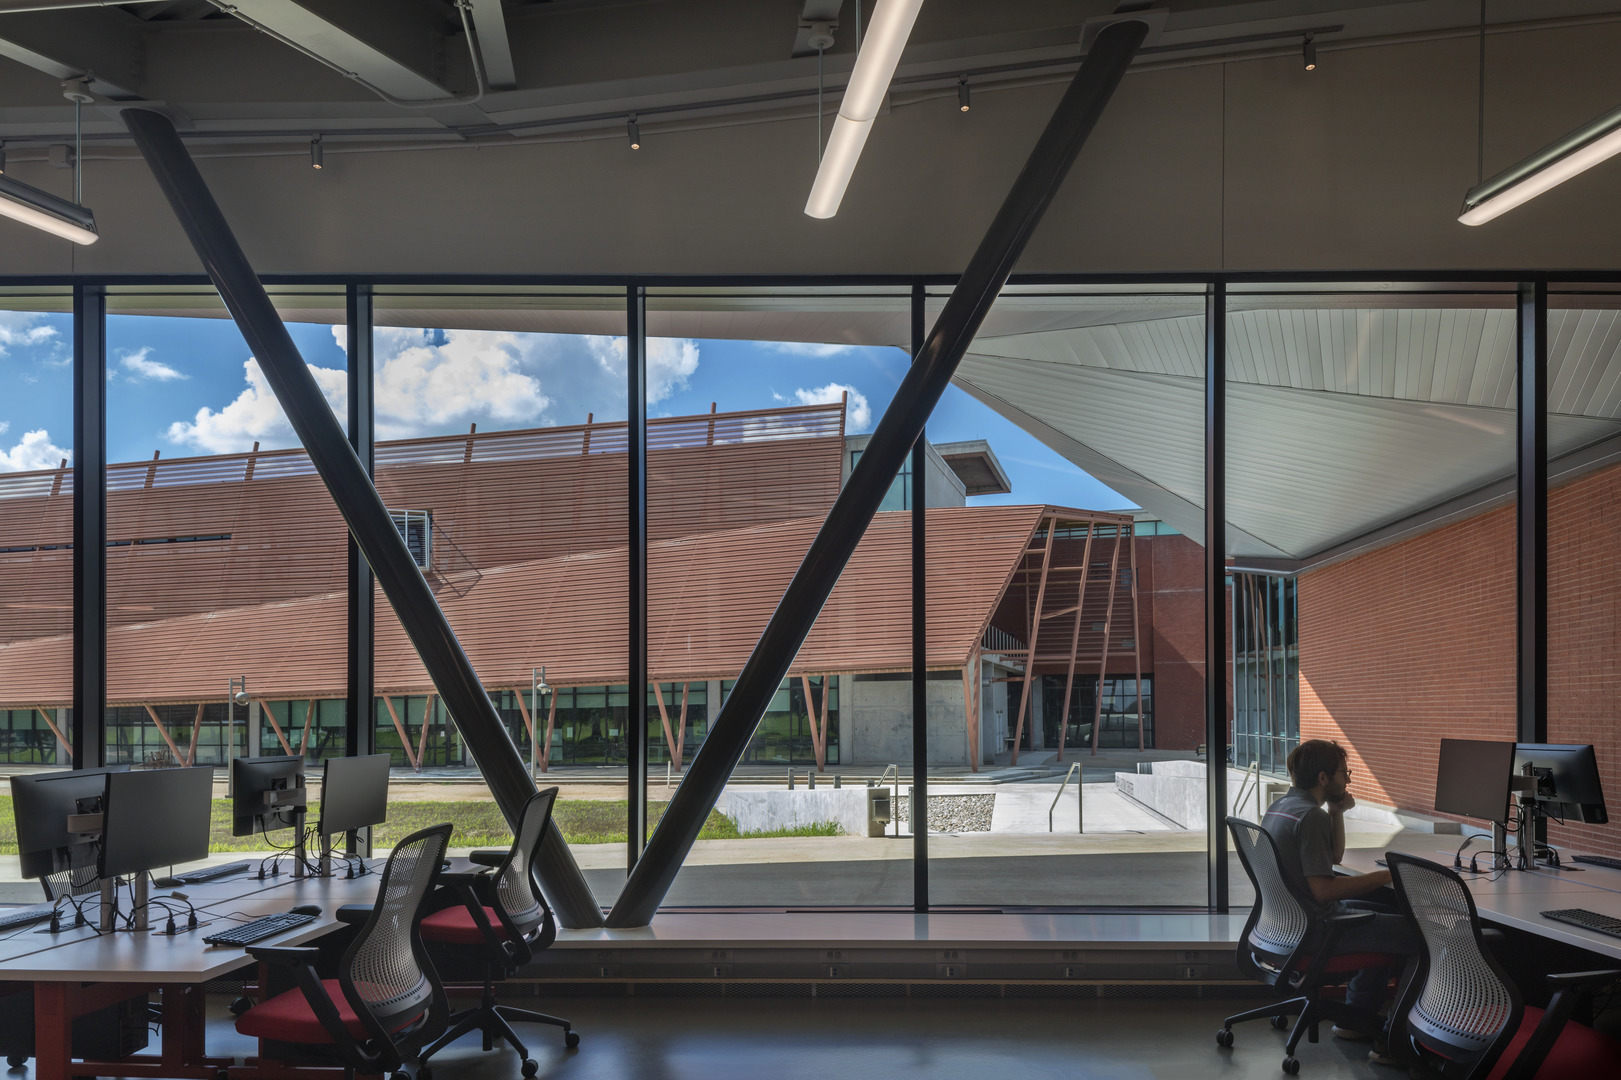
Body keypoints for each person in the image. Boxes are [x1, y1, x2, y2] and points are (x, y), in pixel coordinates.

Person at [1262, 738, 1419, 1055]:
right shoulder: (1310, 817)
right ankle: (1394, 1041)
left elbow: (1332, 857)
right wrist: (1388, 875)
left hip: (1288, 925)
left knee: (1388, 914)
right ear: (1323, 778)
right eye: (1344, 773)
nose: (1348, 780)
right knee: (1423, 937)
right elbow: (1324, 891)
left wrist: (1336, 811)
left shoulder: (1282, 807)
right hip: (1317, 931)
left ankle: (1355, 1019)